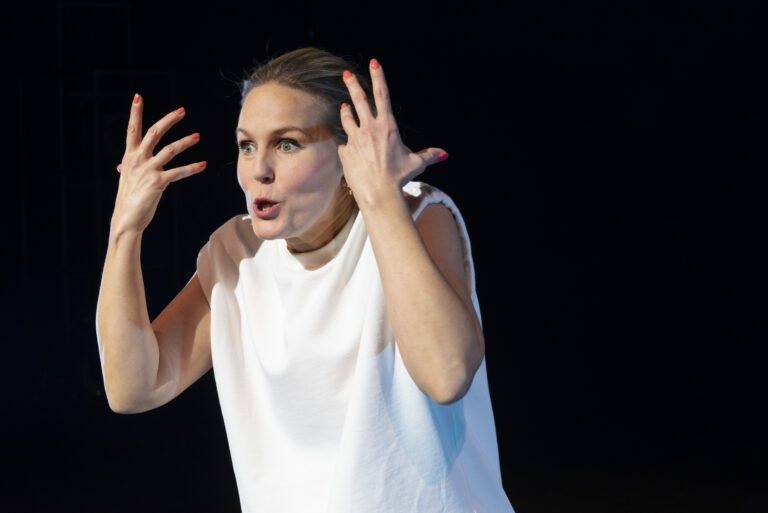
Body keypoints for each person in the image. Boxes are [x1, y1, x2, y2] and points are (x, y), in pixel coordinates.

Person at [96, 47, 514, 512]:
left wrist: (379, 197)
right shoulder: (237, 254)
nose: (259, 170)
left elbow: (447, 374)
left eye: (287, 143)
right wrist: (124, 231)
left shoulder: (414, 213)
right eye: (247, 145)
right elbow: (133, 387)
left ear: (349, 150)